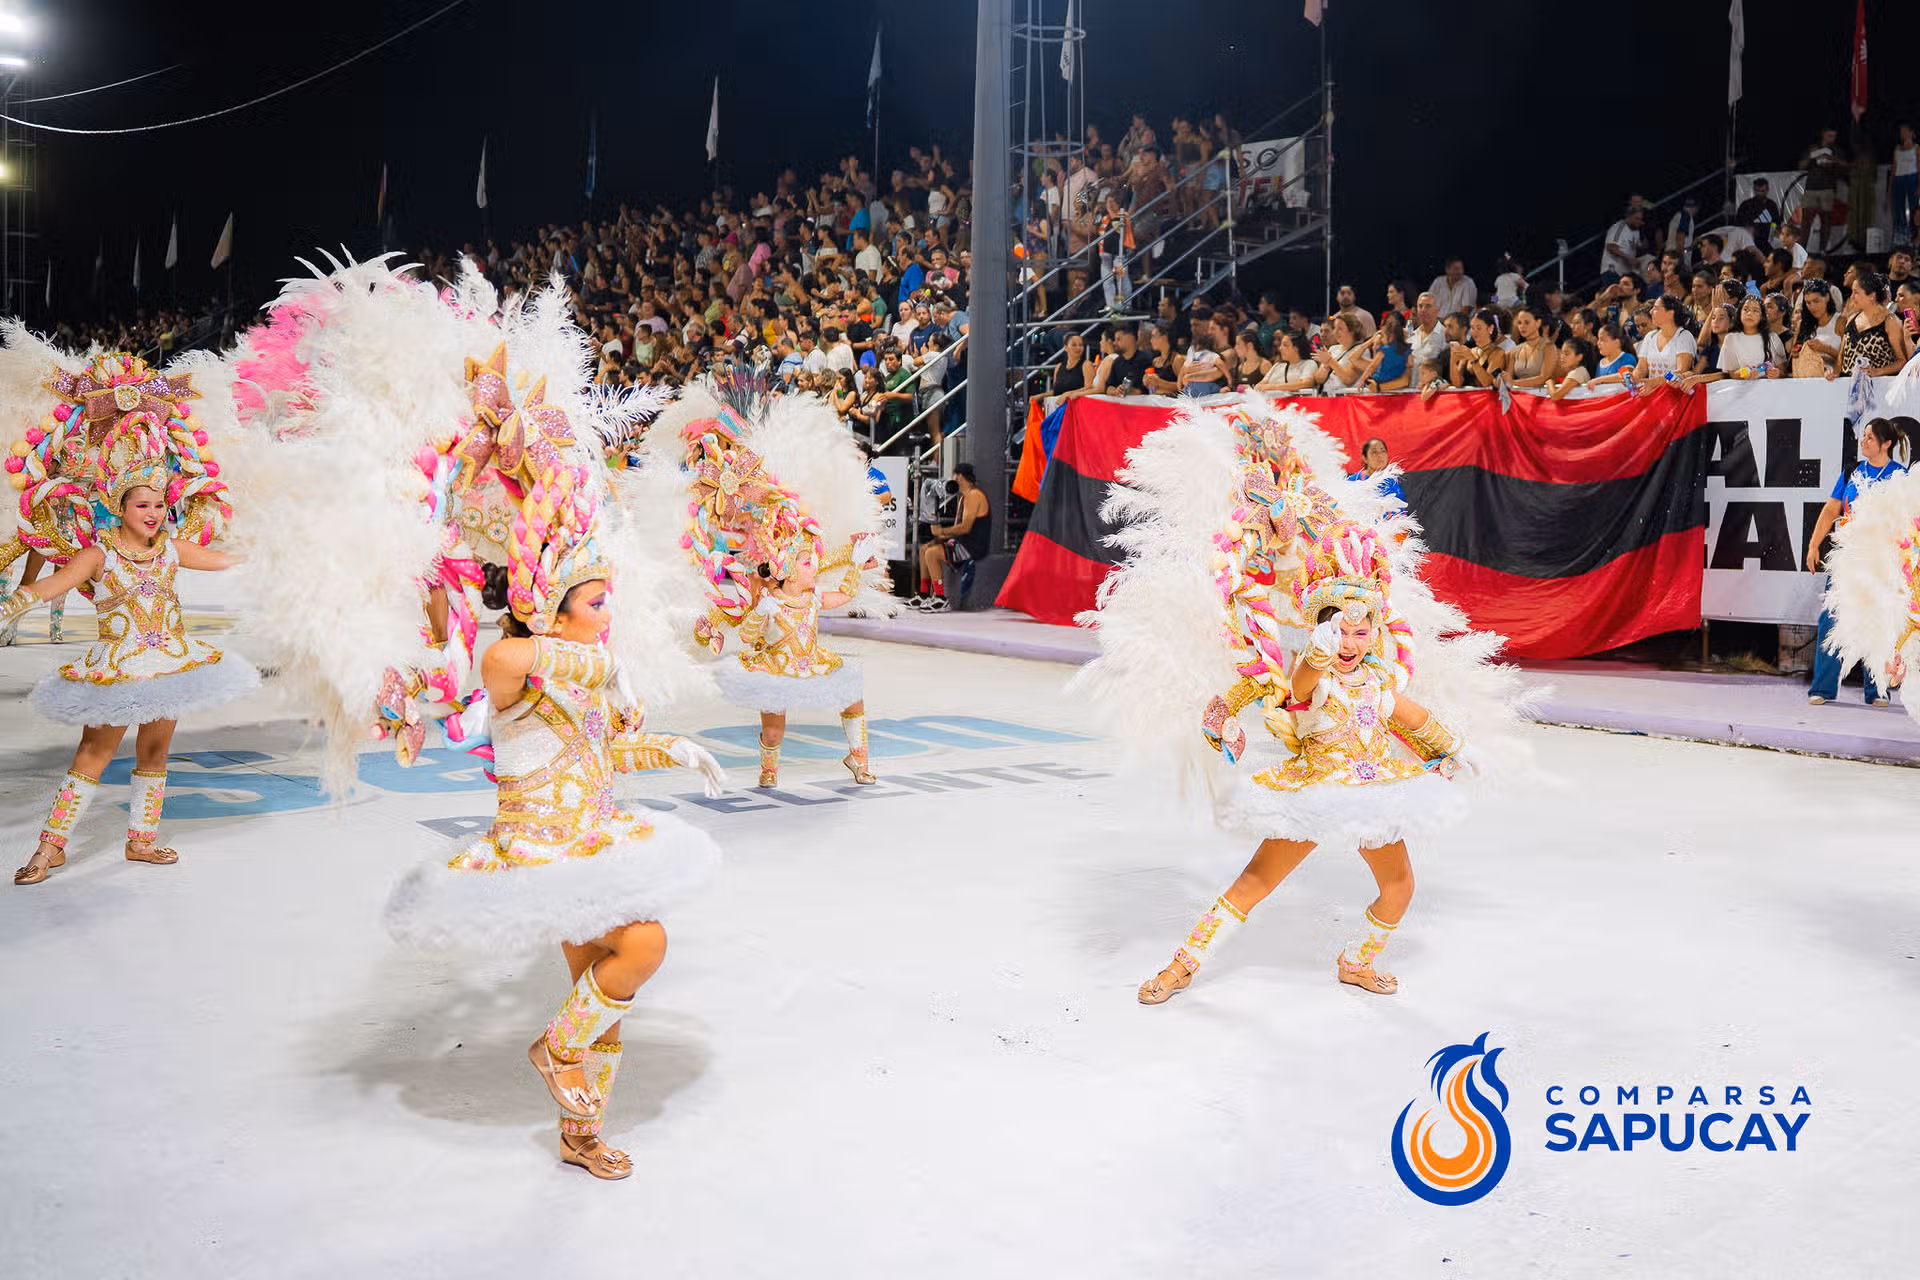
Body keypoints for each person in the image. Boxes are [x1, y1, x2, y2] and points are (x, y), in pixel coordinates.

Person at [1094, 407, 1498, 1006]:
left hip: (1373, 794)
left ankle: (1356, 960)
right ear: (1321, 629)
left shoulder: (1378, 681)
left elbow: (1409, 716)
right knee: (1257, 881)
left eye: (1363, 633)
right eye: (1343, 630)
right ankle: (1182, 965)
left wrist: (1458, 749)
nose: (1353, 642)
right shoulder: (1311, 676)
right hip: (1315, 793)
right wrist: (1318, 646)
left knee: (1400, 888)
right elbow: (1305, 681)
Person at [4, 354, 258, 887]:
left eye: (160, 505)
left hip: (170, 663)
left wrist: (281, 553)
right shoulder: (99, 554)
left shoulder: (169, 546)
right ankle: (50, 849)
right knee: (93, 752)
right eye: (142, 505)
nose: (153, 514)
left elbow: (228, 558)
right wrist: (12, 603)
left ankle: (140, 839)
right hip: (117, 668)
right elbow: (51, 584)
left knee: (156, 749)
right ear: (121, 506)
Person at [1805, 418, 1912, 706]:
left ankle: (1877, 689)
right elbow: (1831, 509)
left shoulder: (1900, 477)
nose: (1863, 441)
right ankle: (1823, 688)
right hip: (1848, 558)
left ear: (1886, 444)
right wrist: (1815, 544)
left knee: (1881, 622)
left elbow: (1910, 522)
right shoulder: (1851, 473)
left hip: (1882, 561)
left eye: (1869, 437)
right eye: (1863, 436)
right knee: (1832, 620)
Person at [919, 462, 990, 616]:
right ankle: (923, 593)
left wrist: (942, 530)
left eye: (954, 475)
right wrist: (942, 536)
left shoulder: (973, 496)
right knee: (924, 549)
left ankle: (940, 597)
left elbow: (965, 528)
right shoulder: (963, 497)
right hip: (963, 541)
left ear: (959, 476)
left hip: (972, 546)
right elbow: (960, 529)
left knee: (931, 553)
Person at [1681, 296, 1782, 388]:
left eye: (1755, 311)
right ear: (1740, 313)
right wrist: (1745, 373)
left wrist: (1776, 373)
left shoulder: (1772, 338)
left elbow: (1783, 370)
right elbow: (1731, 373)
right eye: (1746, 309)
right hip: (1736, 392)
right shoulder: (1730, 339)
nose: (1750, 313)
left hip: (1767, 391)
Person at [1832, 271, 1911, 378]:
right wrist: (1834, 373)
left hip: (1879, 387)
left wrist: (1877, 371)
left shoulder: (1890, 321)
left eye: (1856, 292)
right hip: (1848, 387)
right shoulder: (1851, 319)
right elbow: (1841, 357)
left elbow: (1902, 361)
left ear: (1872, 296)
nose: (1852, 297)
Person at [1632, 293, 1698, 391]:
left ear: (1670, 313)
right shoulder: (1650, 336)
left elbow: (1681, 372)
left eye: (1655, 308)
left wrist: (1654, 382)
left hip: (1675, 394)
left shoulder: (1683, 336)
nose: (1651, 312)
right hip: (1652, 392)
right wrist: (1632, 378)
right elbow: (1641, 368)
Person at [1791, 281, 1843, 377]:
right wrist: (1796, 352)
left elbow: (1848, 358)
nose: (1812, 307)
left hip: (1834, 380)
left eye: (1816, 301)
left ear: (1827, 297)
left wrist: (1826, 349)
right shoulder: (1802, 325)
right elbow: (1794, 355)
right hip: (1806, 380)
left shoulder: (1841, 321)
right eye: (1808, 303)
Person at [1347, 437, 1406, 515]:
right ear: (1365, 458)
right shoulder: (1353, 481)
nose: (1379, 455)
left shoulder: (1392, 482)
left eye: (1383, 451)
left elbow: (1401, 511)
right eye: (1374, 452)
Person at [1506, 306, 1556, 389]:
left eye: (1527, 322)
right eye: (1519, 323)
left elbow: (1543, 378)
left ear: (1538, 323)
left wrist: (1514, 383)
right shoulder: (1515, 351)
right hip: (1518, 396)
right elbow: (1508, 378)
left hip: (1541, 397)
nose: (1522, 326)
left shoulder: (1549, 348)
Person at [1256, 330, 1320, 395]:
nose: (1280, 348)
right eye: (1281, 345)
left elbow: (1306, 383)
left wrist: (1273, 387)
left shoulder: (1309, 364)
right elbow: (1260, 385)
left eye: (1285, 345)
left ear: (1296, 348)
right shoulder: (1277, 365)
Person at [1585, 323, 1636, 392]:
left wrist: (1599, 380)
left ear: (1616, 342)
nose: (1598, 343)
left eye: (1602, 340)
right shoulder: (1601, 363)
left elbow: (1626, 377)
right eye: (1598, 339)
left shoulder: (1627, 358)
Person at [1735, 178, 1782, 249]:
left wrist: (1772, 238)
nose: (1759, 193)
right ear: (1754, 190)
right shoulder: (1746, 205)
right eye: (1757, 191)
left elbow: (1776, 223)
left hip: (1767, 243)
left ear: (1767, 190)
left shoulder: (1771, 205)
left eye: (1762, 191)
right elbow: (1738, 223)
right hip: (1750, 242)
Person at [1601, 208, 1646, 279]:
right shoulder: (1619, 227)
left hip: (1625, 273)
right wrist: (1628, 258)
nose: (1639, 221)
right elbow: (1611, 247)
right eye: (1636, 218)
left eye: (1641, 219)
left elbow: (1636, 247)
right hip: (1613, 271)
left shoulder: (1636, 231)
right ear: (1629, 217)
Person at [1895, 123, 1919, 247]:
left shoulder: (1917, 148)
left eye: (1905, 131)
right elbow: (1894, 169)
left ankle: (1914, 236)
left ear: (1911, 133)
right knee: (1899, 209)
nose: (1902, 134)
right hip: (1899, 180)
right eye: (1901, 131)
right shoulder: (1897, 149)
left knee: (1914, 208)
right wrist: (1889, 191)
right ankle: (1901, 238)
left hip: (1912, 178)